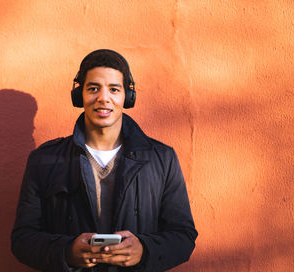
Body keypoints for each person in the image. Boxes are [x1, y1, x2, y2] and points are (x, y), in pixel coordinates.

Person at [11, 49, 198, 272]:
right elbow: (23, 239)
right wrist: (67, 252)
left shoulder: (162, 159)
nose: (103, 98)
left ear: (127, 97)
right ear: (79, 95)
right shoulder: (44, 160)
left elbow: (183, 236)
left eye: (114, 89)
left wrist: (144, 250)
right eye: (93, 89)